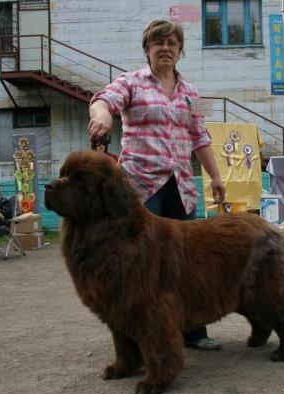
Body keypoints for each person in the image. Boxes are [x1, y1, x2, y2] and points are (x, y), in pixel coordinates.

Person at [88, 20, 226, 351]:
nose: (165, 47)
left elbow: (200, 135)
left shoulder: (192, 91)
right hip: (140, 188)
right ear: (147, 49)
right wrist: (103, 116)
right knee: (138, 265)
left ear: (180, 51)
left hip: (181, 186)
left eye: (171, 43)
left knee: (186, 262)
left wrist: (216, 176)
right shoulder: (131, 82)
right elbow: (103, 98)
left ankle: (194, 333)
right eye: (157, 42)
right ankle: (137, 337)